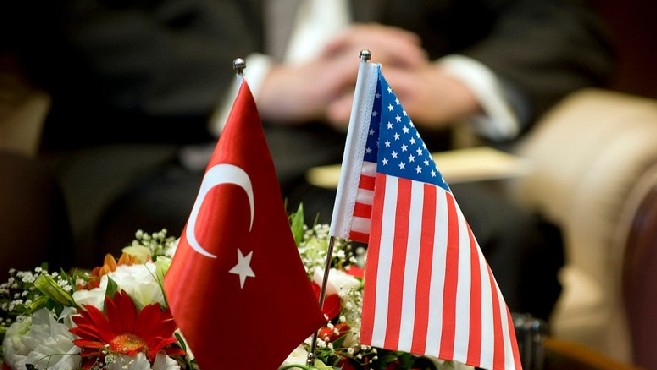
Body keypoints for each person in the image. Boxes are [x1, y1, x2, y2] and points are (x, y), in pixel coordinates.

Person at [5, 0, 614, 321]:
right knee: (239, 237)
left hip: (357, 152)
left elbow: (561, 20)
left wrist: (456, 85)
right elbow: (60, 23)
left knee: (497, 234)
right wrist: (265, 83)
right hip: (177, 153)